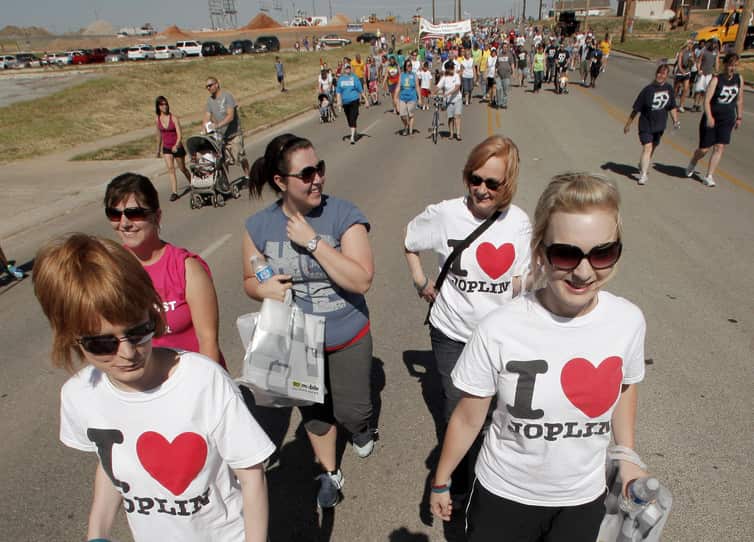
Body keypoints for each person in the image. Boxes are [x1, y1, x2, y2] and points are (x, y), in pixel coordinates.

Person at [430, 173, 649, 542]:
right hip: (505, 496)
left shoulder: (628, 321)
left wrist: (626, 453)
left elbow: (626, 384)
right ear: (539, 251)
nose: (583, 271)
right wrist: (441, 481)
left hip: (583, 499)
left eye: (602, 253)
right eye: (566, 253)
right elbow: (468, 418)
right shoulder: (499, 328)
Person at [33, 233, 274, 542]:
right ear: (70, 338)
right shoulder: (80, 396)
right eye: (101, 343)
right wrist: (97, 534)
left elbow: (251, 473)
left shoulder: (203, 381)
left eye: (138, 331)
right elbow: (111, 463)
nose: (128, 353)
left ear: (154, 314)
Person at [243, 134, 376, 509]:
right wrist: (263, 289)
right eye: (306, 173)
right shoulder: (258, 226)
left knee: (352, 411)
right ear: (280, 182)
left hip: (347, 332)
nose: (317, 178)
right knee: (315, 413)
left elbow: (362, 279)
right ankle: (329, 472)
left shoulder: (344, 215)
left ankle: (363, 426)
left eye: (319, 169)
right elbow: (250, 281)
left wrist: (314, 241)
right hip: (297, 341)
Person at [405, 135, 531, 517]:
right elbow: (410, 240)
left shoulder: (519, 223)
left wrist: (519, 293)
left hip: (499, 339)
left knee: (497, 412)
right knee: (457, 408)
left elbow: (524, 278)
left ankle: (494, 477)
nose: (481, 189)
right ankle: (461, 481)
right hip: (452, 334)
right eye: (475, 179)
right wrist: (420, 281)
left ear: (508, 184)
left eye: (492, 183)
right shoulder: (445, 214)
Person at [104, 173, 226, 367]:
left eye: (135, 213)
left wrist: (204, 391)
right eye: (114, 214)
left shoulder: (186, 268)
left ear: (157, 216)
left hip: (192, 380)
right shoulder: (110, 269)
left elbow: (208, 342)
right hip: (141, 383)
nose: (124, 223)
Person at [685, 53, 744, 188]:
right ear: (725, 65)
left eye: (735, 65)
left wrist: (739, 117)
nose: (732, 68)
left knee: (719, 147)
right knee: (704, 150)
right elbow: (707, 100)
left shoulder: (738, 79)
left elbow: (739, 100)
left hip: (727, 119)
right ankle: (694, 161)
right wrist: (710, 116)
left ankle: (709, 176)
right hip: (712, 118)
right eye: (730, 65)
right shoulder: (717, 79)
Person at [624, 64, 680, 186]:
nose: (660, 76)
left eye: (663, 74)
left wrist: (675, 120)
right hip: (646, 124)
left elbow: (672, 107)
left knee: (652, 148)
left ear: (667, 76)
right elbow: (636, 109)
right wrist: (628, 124)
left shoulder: (669, 89)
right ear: (656, 74)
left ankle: (643, 164)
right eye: (659, 73)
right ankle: (643, 174)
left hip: (659, 125)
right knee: (647, 147)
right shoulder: (648, 90)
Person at [203, 77, 250, 178]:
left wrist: (217, 125)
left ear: (217, 84)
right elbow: (206, 117)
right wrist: (205, 128)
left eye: (210, 85)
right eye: (207, 87)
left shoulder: (227, 96)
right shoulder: (209, 101)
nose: (208, 88)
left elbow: (230, 116)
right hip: (221, 136)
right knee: (223, 160)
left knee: (239, 157)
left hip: (234, 134)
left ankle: (248, 176)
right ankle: (226, 184)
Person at [154, 96, 190, 202]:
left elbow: (179, 134)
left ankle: (193, 182)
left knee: (182, 168)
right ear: (158, 106)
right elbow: (159, 135)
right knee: (170, 169)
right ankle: (174, 192)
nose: (164, 106)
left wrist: (176, 144)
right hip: (166, 148)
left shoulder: (173, 118)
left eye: (166, 104)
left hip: (177, 147)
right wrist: (157, 150)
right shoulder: (157, 119)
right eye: (162, 105)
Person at [336, 64, 364, 145]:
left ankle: (352, 137)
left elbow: (360, 89)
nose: (348, 69)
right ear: (344, 69)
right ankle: (354, 133)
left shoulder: (354, 77)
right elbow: (338, 92)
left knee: (353, 116)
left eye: (349, 68)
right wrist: (339, 103)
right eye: (346, 68)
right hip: (345, 102)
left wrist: (365, 99)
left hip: (354, 100)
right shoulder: (340, 79)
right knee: (349, 119)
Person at [436, 60, 463, 141]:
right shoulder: (444, 78)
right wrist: (432, 92)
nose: (453, 69)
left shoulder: (456, 76)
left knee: (457, 116)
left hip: (457, 98)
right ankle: (451, 133)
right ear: (447, 69)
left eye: (453, 68)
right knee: (450, 118)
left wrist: (448, 94)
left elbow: (457, 87)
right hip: (448, 101)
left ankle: (458, 134)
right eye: (451, 68)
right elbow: (438, 86)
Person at [692, 39, 719, 112]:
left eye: (715, 44)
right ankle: (695, 104)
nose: (714, 45)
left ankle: (699, 105)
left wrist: (716, 71)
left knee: (704, 91)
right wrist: (698, 70)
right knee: (698, 90)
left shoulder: (715, 52)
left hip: (709, 74)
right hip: (702, 73)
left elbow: (716, 62)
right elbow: (699, 61)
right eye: (713, 43)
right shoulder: (704, 51)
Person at [398, 59, 418, 136]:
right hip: (403, 97)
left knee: (411, 115)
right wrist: (396, 96)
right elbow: (399, 86)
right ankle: (406, 125)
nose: (410, 67)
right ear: (405, 67)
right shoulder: (402, 75)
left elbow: (417, 86)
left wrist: (419, 98)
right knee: (402, 115)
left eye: (411, 65)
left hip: (412, 98)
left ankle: (410, 131)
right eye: (408, 65)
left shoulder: (414, 75)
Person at [673, 40, 695, 112]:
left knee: (685, 89)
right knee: (676, 88)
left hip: (687, 72)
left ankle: (681, 105)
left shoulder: (691, 53)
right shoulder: (682, 52)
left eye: (692, 44)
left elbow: (693, 63)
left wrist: (692, 61)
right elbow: (679, 63)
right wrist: (681, 70)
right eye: (690, 44)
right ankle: (672, 103)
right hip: (680, 72)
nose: (691, 45)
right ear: (687, 44)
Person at [495, 43, 514, 109]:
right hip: (499, 75)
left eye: (506, 47)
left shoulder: (509, 55)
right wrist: (495, 72)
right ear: (502, 48)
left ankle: (504, 103)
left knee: (505, 90)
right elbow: (496, 65)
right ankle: (498, 102)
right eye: (503, 47)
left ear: (507, 48)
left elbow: (512, 64)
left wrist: (513, 72)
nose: (505, 48)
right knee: (498, 88)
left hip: (507, 75)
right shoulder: (499, 55)